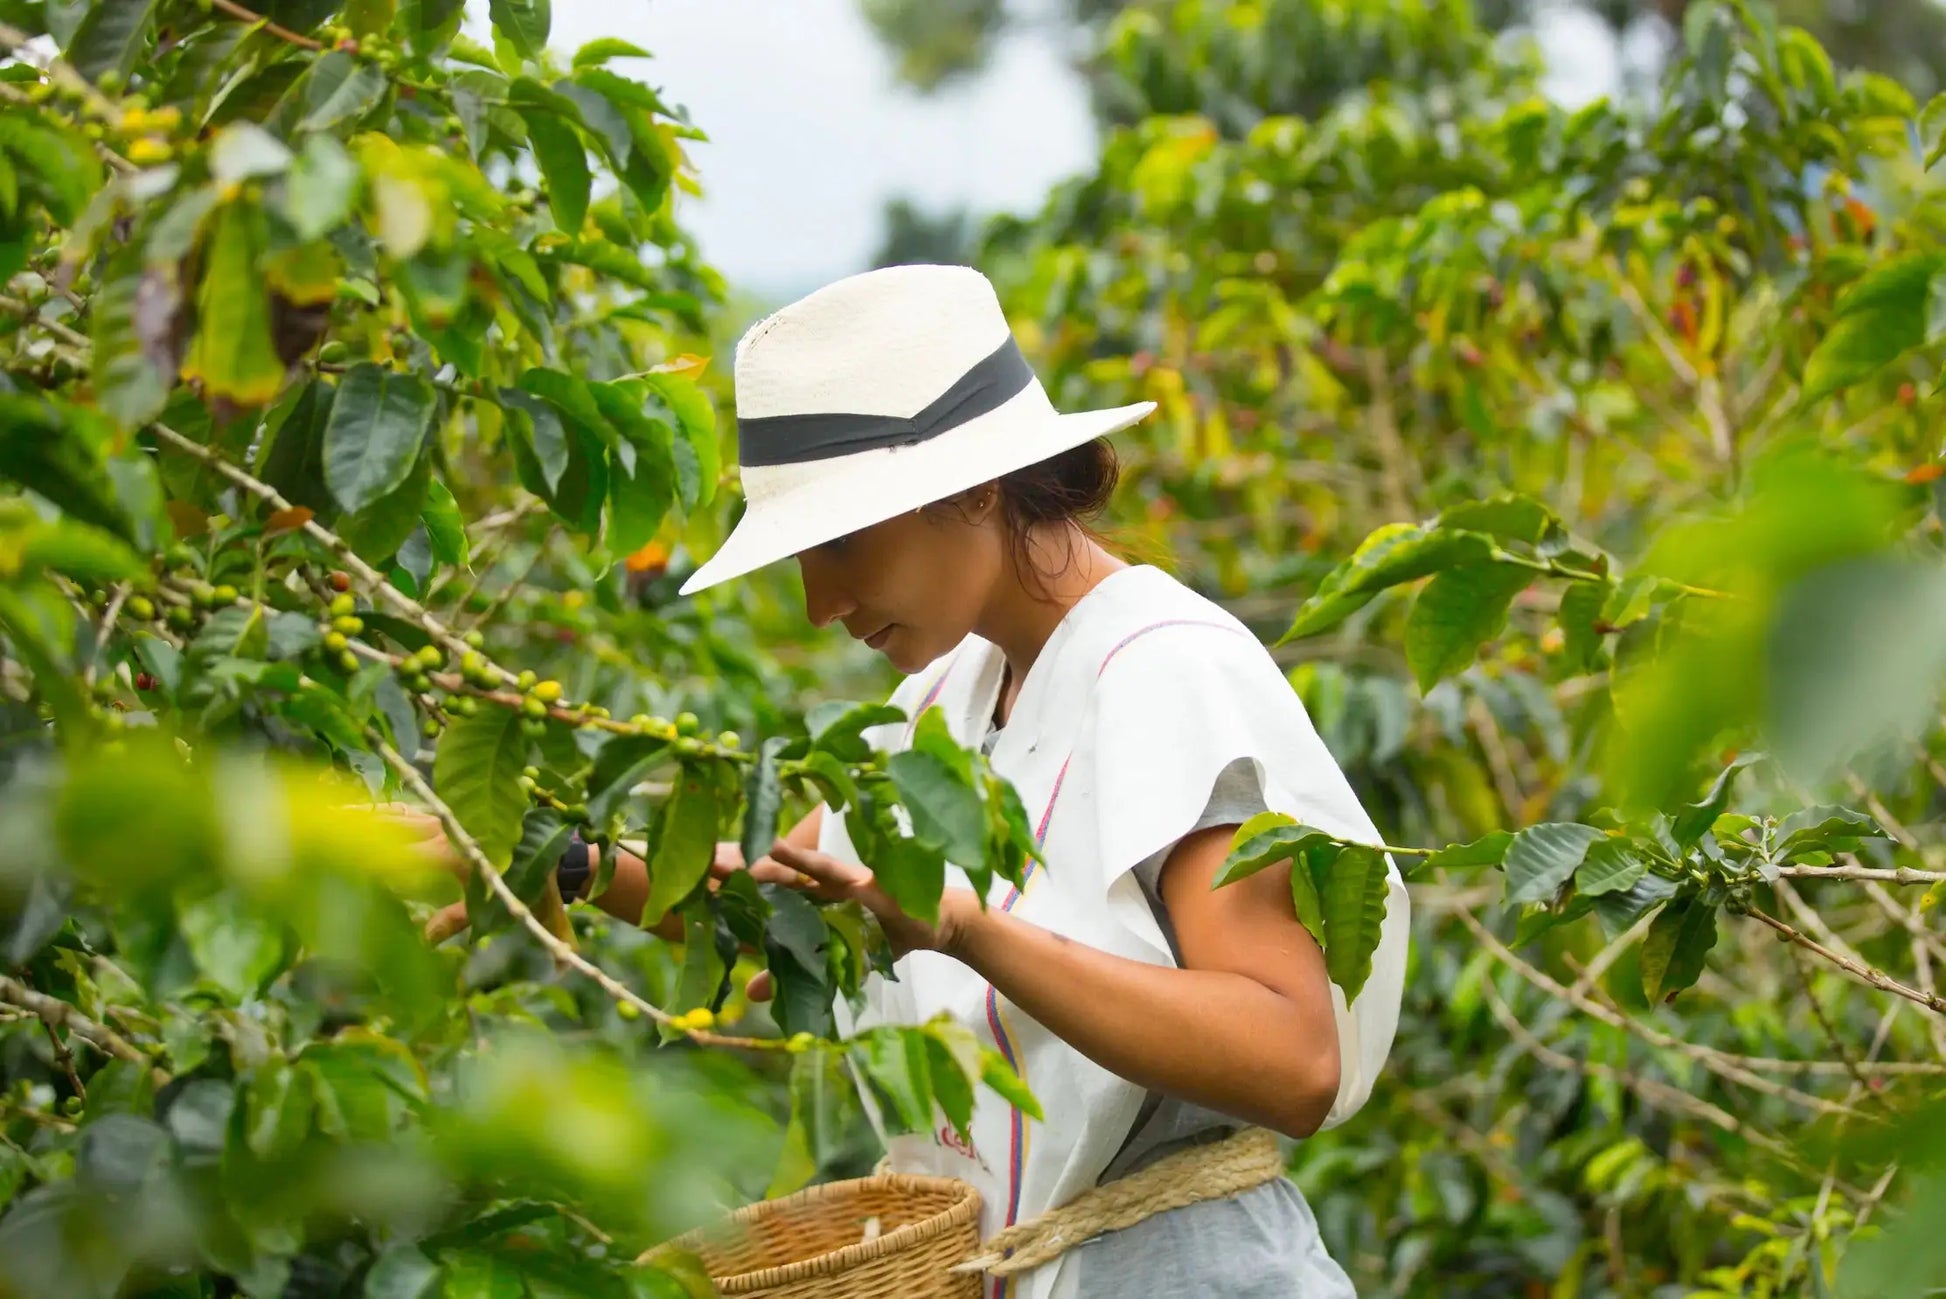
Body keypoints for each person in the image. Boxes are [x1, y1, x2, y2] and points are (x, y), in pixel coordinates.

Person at [401, 264, 1410, 1298]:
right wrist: (547, 857)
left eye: (839, 543)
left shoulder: (1164, 671)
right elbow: (797, 906)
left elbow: (1291, 1057)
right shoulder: (948, 696)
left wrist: (969, 931)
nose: (816, 602)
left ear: (972, 486)